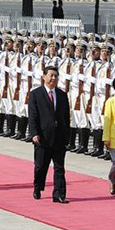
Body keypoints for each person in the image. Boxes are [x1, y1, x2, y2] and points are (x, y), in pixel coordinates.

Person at [29, 65, 70, 203]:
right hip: (43, 137)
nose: (53, 78)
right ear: (44, 77)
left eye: (56, 76)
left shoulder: (62, 95)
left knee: (59, 168)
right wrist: (34, 133)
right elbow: (33, 116)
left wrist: (67, 136)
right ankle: (37, 187)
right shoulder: (35, 94)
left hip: (59, 137)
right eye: (51, 75)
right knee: (41, 166)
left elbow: (66, 117)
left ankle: (59, 194)